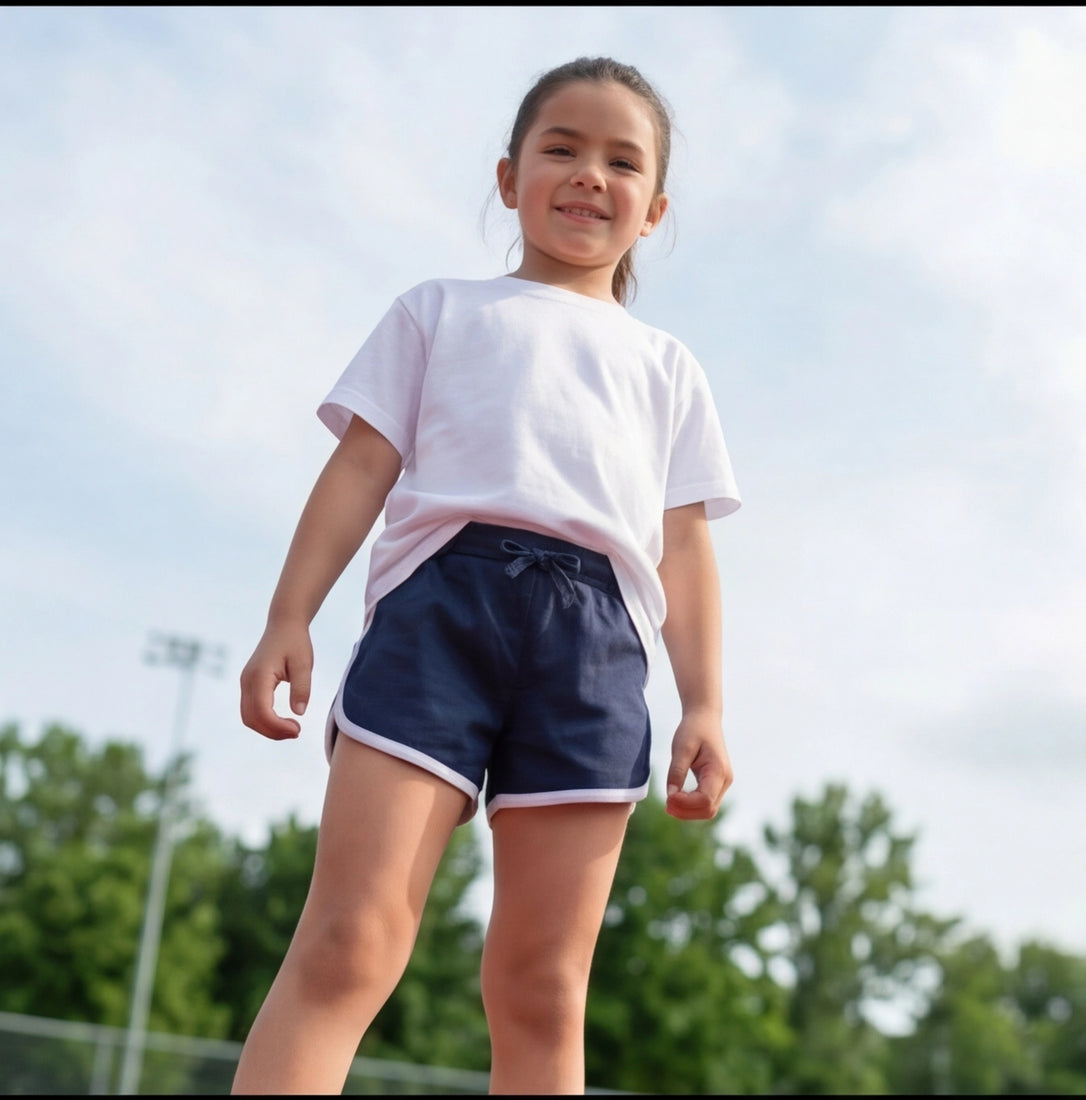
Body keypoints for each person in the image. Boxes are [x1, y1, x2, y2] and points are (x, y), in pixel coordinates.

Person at [232, 55, 741, 1096]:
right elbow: (360, 468)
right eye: (560, 148)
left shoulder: (667, 368)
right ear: (507, 179)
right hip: (439, 617)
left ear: (653, 210)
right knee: (349, 941)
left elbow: (681, 546)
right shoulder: (438, 310)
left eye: (619, 160)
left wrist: (705, 703)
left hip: (594, 650)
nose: (588, 174)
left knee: (541, 987)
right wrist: (290, 614)